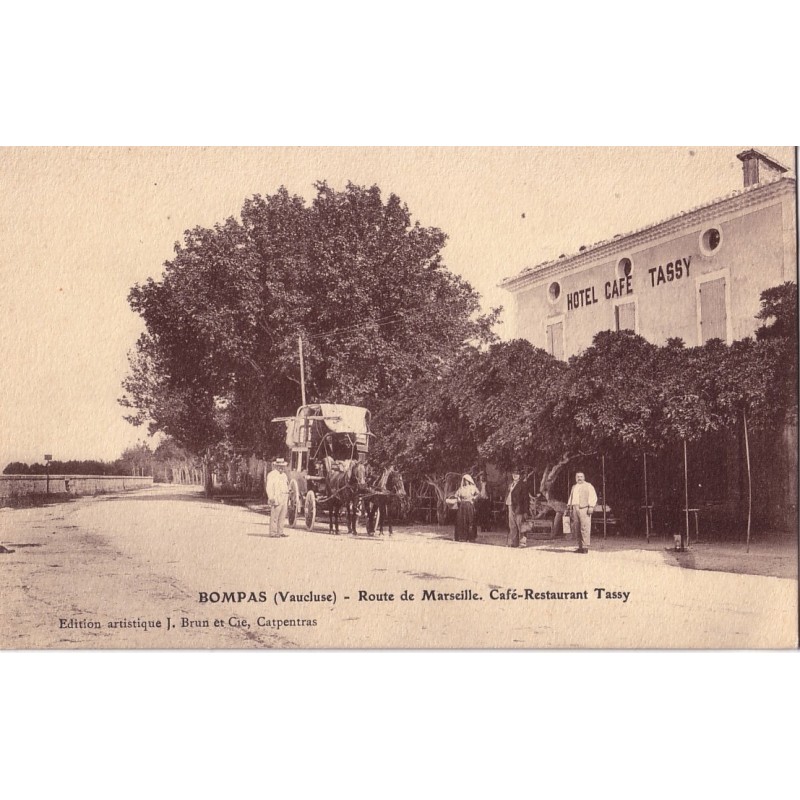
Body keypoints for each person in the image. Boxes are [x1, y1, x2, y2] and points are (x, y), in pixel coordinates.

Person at [567, 472, 597, 553]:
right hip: (575, 508)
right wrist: (569, 506)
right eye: (577, 477)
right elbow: (571, 497)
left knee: (585, 527)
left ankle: (585, 547)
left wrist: (591, 506)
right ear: (575, 478)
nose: (579, 478)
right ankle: (580, 546)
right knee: (577, 528)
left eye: (581, 476)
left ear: (584, 477)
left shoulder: (588, 486)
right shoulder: (574, 486)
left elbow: (593, 496)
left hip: (584, 508)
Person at [266, 457, 290, 537]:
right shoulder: (272, 475)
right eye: (280, 466)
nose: (281, 468)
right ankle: (273, 532)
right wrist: (271, 497)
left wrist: (288, 492)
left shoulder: (284, 475)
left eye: (283, 466)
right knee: (275, 516)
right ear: (276, 466)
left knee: (282, 516)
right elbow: (269, 487)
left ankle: (280, 531)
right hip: (277, 497)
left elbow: (286, 485)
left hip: (284, 497)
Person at [506, 468, 528, 547]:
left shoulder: (523, 484)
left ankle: (522, 543)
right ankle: (513, 542)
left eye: (517, 474)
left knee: (521, 525)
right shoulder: (510, 484)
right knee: (512, 525)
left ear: (520, 476)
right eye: (514, 474)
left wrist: (525, 511)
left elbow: (526, 498)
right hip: (510, 505)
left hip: (519, 507)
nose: (515, 475)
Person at [454, 474, 480, 542]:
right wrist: (459, 498)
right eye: (464, 480)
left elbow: (478, 494)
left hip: (469, 505)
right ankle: (462, 537)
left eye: (467, 480)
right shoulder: (461, 488)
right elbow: (456, 495)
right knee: (462, 521)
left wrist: (473, 498)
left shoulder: (473, 487)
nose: (466, 482)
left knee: (470, 521)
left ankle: (471, 537)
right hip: (462, 506)